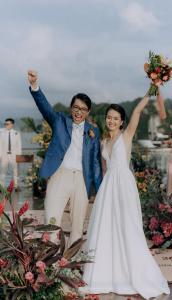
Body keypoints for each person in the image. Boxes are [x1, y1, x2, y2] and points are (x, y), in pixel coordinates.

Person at [80, 89, 170, 299]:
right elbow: (102, 169)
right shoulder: (103, 141)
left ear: (122, 122)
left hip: (124, 186)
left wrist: (152, 89)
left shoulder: (127, 135)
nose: (111, 121)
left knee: (128, 227)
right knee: (106, 227)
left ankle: (136, 274)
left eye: (115, 118)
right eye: (109, 117)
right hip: (108, 186)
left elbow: (138, 110)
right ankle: (105, 275)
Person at [27, 70, 102, 246]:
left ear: (88, 111)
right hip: (60, 174)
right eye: (76, 107)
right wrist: (34, 86)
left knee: (77, 226)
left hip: (82, 180)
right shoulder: (59, 121)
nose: (79, 112)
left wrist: (99, 189)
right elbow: (44, 107)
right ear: (71, 107)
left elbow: (96, 161)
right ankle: (49, 264)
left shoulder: (94, 131)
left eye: (83, 109)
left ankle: (73, 266)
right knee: (51, 221)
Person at [0, 118, 22, 190]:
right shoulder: (1, 132)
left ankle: (16, 186)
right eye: (5, 124)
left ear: (12, 125)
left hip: (14, 155)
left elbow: (19, 145)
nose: (6, 125)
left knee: (15, 171)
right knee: (3, 171)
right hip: (4, 155)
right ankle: (1, 186)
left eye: (7, 124)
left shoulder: (16, 133)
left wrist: (19, 156)